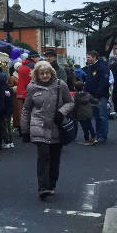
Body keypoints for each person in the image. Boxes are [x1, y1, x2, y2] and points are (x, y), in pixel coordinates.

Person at [21, 60, 74, 200]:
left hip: (57, 125)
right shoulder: (31, 87)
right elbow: (26, 109)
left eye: (47, 73)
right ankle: (43, 187)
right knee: (43, 155)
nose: (45, 75)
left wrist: (61, 112)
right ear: (36, 75)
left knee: (55, 158)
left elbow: (70, 102)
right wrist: (25, 130)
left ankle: (51, 184)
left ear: (52, 73)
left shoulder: (60, 85)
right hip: (38, 124)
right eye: (42, 73)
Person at [84, 50, 111, 143]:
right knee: (96, 116)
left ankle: (103, 136)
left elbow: (103, 83)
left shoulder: (102, 67)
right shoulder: (91, 67)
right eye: (87, 57)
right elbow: (89, 81)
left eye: (89, 57)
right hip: (92, 96)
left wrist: (97, 95)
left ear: (94, 57)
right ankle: (98, 134)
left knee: (102, 116)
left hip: (100, 96)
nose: (87, 59)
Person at [74, 81, 99, 145]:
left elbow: (74, 105)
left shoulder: (76, 97)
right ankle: (94, 137)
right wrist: (98, 100)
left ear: (75, 88)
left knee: (84, 128)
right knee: (90, 126)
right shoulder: (88, 95)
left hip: (81, 114)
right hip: (88, 113)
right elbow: (94, 101)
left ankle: (87, 139)